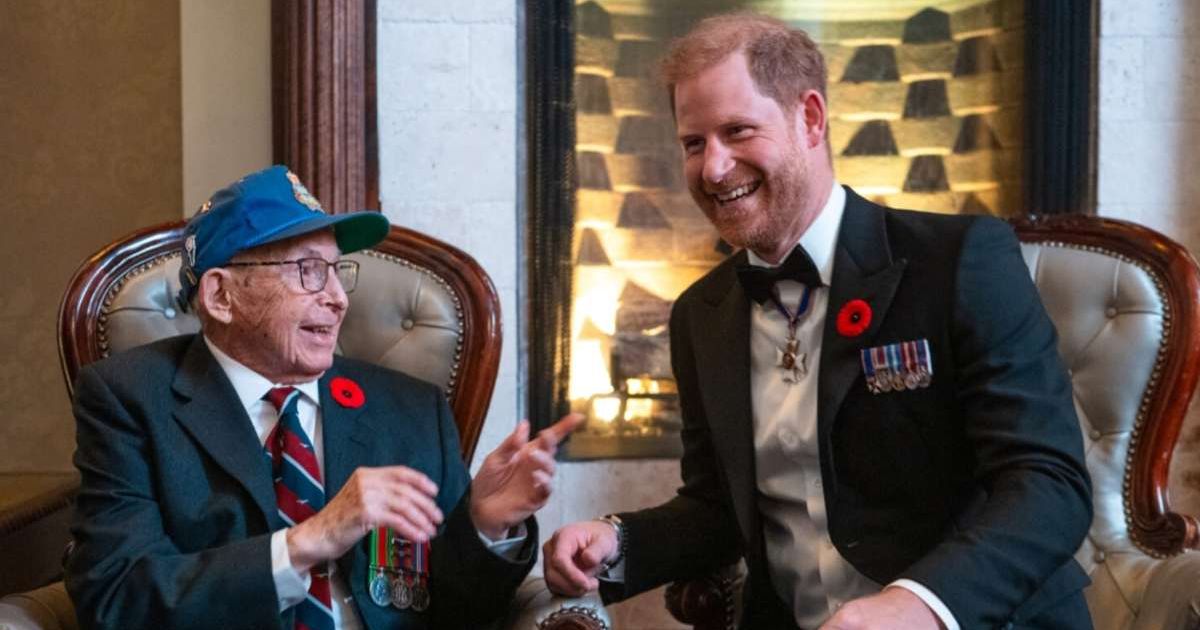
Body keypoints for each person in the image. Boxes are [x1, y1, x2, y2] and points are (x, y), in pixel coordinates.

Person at [544, 13, 1092, 630]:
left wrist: (917, 606)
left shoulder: (960, 261)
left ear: (810, 118)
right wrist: (617, 542)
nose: (713, 168)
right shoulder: (702, 313)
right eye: (693, 143)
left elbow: (1048, 486)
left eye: (738, 131)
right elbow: (719, 509)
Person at [65, 165, 582, 630]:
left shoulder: (411, 410)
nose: (336, 299)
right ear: (221, 296)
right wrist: (308, 541)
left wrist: (486, 525)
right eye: (308, 271)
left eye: (337, 270)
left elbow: (459, 610)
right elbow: (115, 598)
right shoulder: (130, 399)